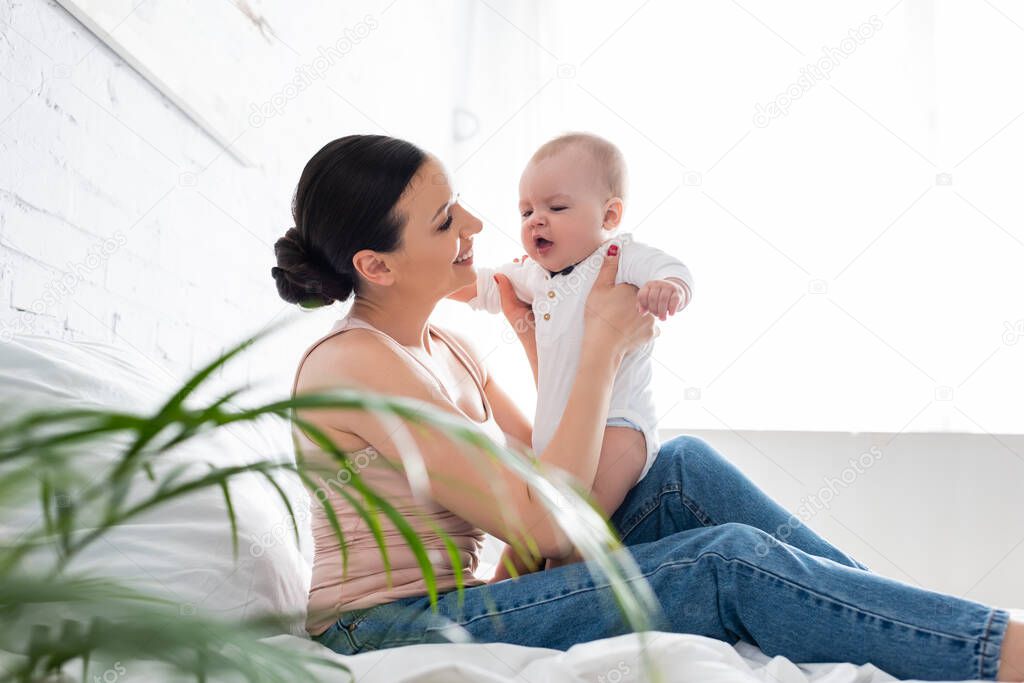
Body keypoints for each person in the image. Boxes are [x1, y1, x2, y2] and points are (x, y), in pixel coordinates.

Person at [272, 134, 1023, 681]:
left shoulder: (448, 346)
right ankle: (995, 648)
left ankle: (931, 636)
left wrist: (547, 347)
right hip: (381, 630)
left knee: (680, 469)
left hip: (469, 593)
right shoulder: (353, 364)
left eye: (460, 202)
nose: (474, 225)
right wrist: (599, 341)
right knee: (722, 562)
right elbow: (548, 518)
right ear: (376, 265)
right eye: (444, 220)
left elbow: (555, 463)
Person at [447, 133, 693, 576]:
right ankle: (496, 605)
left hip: (619, 426)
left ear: (610, 214)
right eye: (526, 212)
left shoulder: (618, 258)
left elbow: (672, 268)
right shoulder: (537, 276)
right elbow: (483, 286)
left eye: (556, 209)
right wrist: (437, 281)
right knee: (529, 537)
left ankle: (570, 595)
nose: (536, 221)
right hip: (564, 437)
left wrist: (668, 287)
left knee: (572, 531)